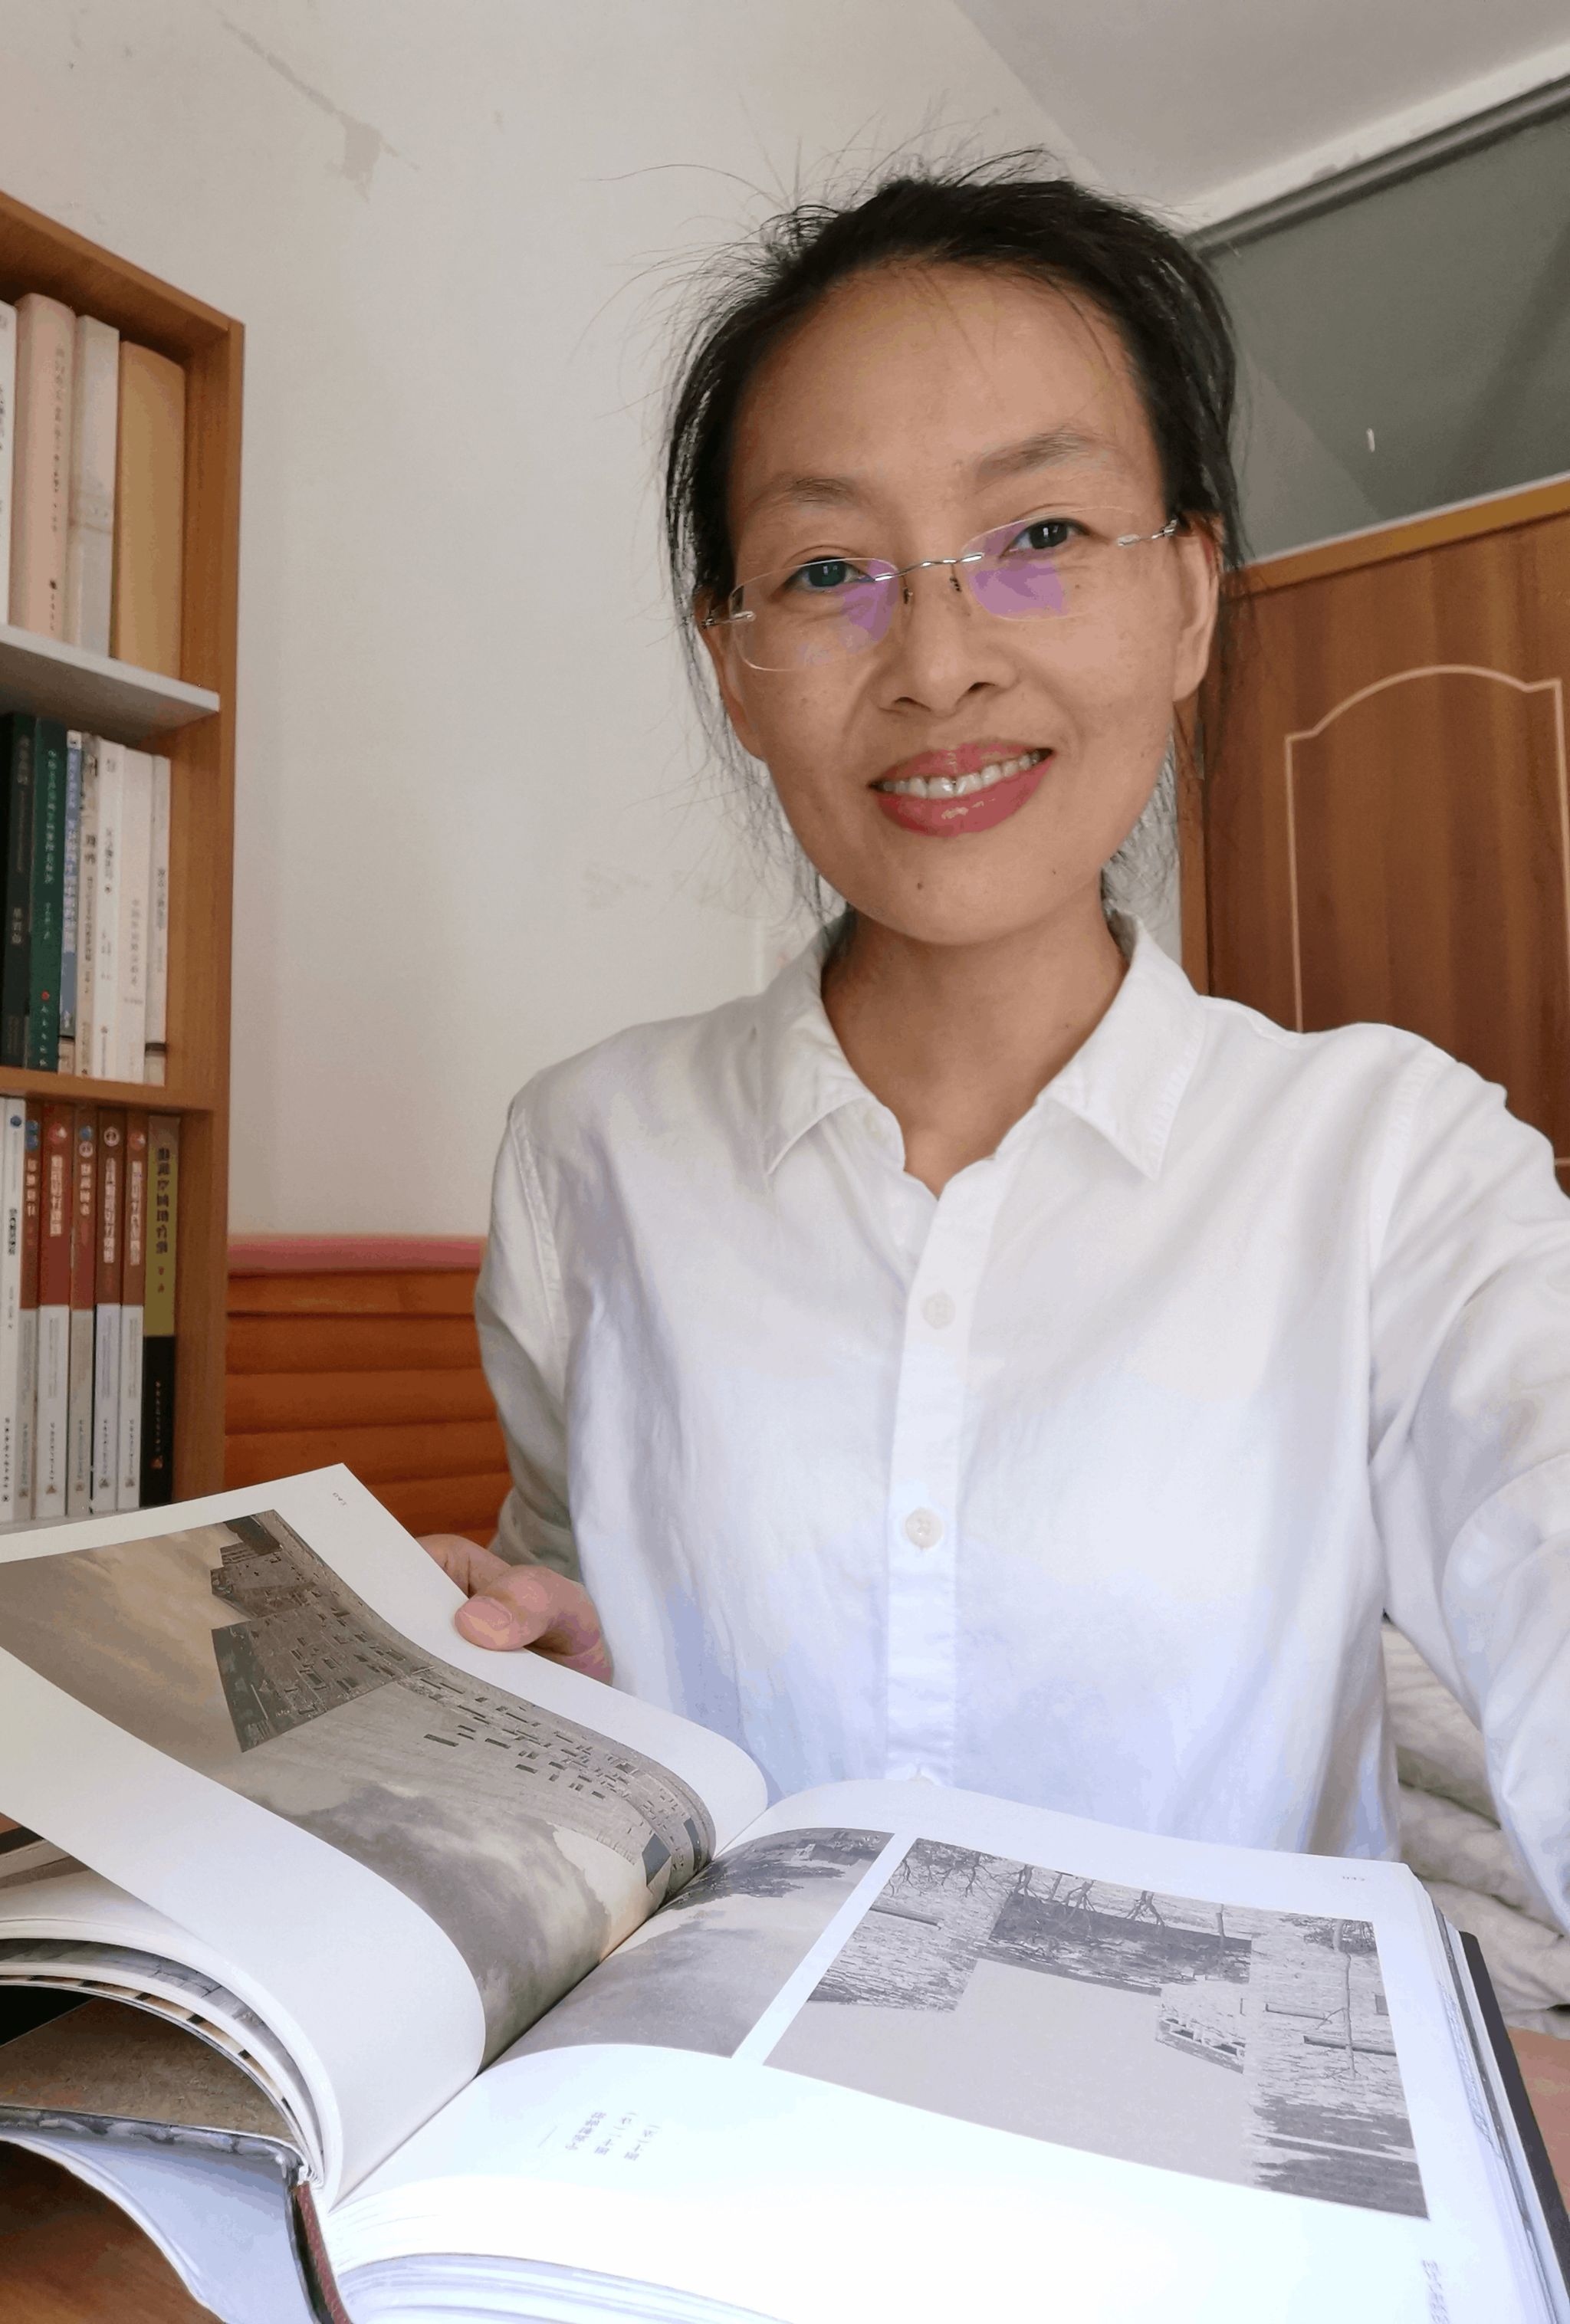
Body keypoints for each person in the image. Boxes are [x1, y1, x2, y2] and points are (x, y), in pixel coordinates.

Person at [421, 155, 1569, 1925]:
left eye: (1039, 538)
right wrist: (549, 1682)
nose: (938, 662)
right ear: (734, 668)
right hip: (698, 2090)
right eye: (827, 569)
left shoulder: (1396, 1163)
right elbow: (580, 1591)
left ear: (1189, 597)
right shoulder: (588, 1149)